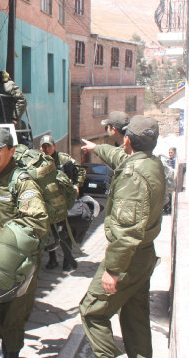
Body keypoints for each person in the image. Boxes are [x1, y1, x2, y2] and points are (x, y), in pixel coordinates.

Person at [79, 115, 165, 358]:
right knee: (135, 318)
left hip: (129, 259)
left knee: (92, 312)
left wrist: (113, 270)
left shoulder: (133, 176)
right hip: (144, 256)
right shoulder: (151, 164)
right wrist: (98, 148)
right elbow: (120, 157)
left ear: (127, 139)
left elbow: (127, 232)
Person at [0, 128, 49, 358]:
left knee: (14, 316)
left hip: (23, 261)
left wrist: (3, 234)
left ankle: (11, 352)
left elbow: (38, 222)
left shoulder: (22, 182)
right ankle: (9, 345)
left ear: (11, 151)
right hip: (0, 256)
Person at [40, 134, 86, 271]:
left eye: (49, 146)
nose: (46, 149)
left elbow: (81, 171)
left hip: (64, 202)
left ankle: (67, 260)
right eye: (43, 146)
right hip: (48, 202)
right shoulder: (39, 161)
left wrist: (77, 185)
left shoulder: (64, 159)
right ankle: (52, 259)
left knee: (65, 231)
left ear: (54, 146)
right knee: (50, 232)